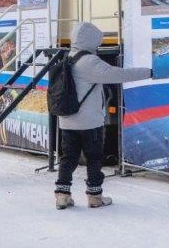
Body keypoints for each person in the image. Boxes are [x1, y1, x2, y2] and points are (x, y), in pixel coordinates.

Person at [54, 21, 150, 210]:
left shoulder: (68, 57)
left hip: (67, 120)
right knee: (94, 158)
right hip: (90, 122)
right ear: (90, 40)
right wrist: (149, 72)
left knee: (68, 158)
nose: (98, 44)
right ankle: (95, 196)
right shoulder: (90, 62)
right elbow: (119, 75)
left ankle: (62, 195)